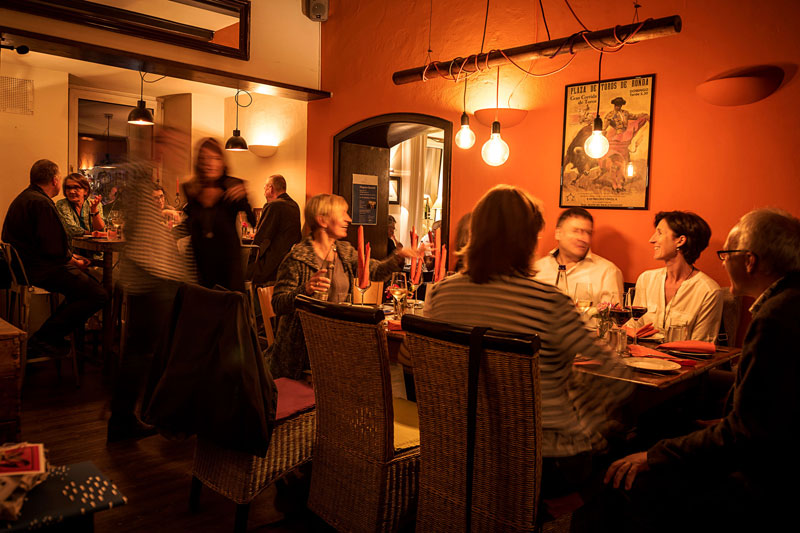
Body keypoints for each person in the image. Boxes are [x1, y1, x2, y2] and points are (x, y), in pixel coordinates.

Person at [424, 185, 631, 499]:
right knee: (619, 453)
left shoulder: (441, 293)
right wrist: (584, 412)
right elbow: (618, 378)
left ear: (475, 232)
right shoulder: (549, 301)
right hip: (544, 462)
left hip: (463, 446)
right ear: (530, 240)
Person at [599, 208, 800, 531]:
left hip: (765, 476)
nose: (722, 262)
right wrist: (724, 420)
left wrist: (653, 455)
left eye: (727, 254)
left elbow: (746, 436)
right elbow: (770, 412)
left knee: (630, 479)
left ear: (749, 261)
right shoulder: (788, 303)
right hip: (762, 451)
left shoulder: (775, 318)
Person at [268, 194, 416, 379]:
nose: (349, 219)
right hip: (303, 355)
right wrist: (304, 290)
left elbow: (375, 271)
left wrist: (399, 256)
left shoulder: (344, 251)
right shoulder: (297, 258)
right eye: (343, 213)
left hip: (337, 345)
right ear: (322, 220)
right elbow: (278, 303)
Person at [109, 129, 194, 442]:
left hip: (152, 276)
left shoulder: (143, 178)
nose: (179, 152)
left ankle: (125, 418)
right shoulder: (140, 176)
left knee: (142, 352)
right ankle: (127, 419)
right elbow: (140, 231)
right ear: (157, 146)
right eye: (173, 145)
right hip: (150, 276)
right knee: (144, 353)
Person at [1, 159, 107, 356]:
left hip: (23, 267)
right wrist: (73, 260)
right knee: (97, 294)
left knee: (86, 288)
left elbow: (47, 245)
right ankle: (43, 339)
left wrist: (71, 257)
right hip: (39, 270)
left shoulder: (25, 198)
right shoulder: (42, 204)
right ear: (55, 181)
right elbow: (54, 250)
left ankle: (54, 339)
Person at [633, 211, 723, 341]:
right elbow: (634, 329)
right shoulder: (646, 280)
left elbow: (700, 347)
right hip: (640, 359)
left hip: (682, 361)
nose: (652, 239)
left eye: (660, 233)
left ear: (680, 240)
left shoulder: (708, 291)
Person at [181, 138, 255, 292]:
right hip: (199, 272)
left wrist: (246, 197)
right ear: (199, 163)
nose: (210, 163)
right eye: (204, 159)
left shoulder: (233, 187)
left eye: (215, 158)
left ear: (222, 162)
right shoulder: (191, 190)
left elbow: (253, 223)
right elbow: (189, 229)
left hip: (228, 273)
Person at [534, 207, 623, 305]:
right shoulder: (537, 269)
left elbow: (612, 318)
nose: (583, 238)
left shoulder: (607, 272)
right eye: (576, 231)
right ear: (558, 233)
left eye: (588, 233)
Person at [247, 174, 301, 285]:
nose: (264, 193)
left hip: (270, 267)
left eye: (264, 189)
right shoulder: (294, 205)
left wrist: (251, 260)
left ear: (270, 189)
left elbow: (261, 239)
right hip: (287, 264)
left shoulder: (273, 206)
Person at [54, 173, 105, 237]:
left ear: (85, 190)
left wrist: (94, 210)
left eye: (76, 187)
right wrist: (93, 234)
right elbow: (72, 230)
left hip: (94, 246)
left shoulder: (94, 203)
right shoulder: (61, 204)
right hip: (70, 246)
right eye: (68, 188)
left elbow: (100, 229)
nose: (71, 191)